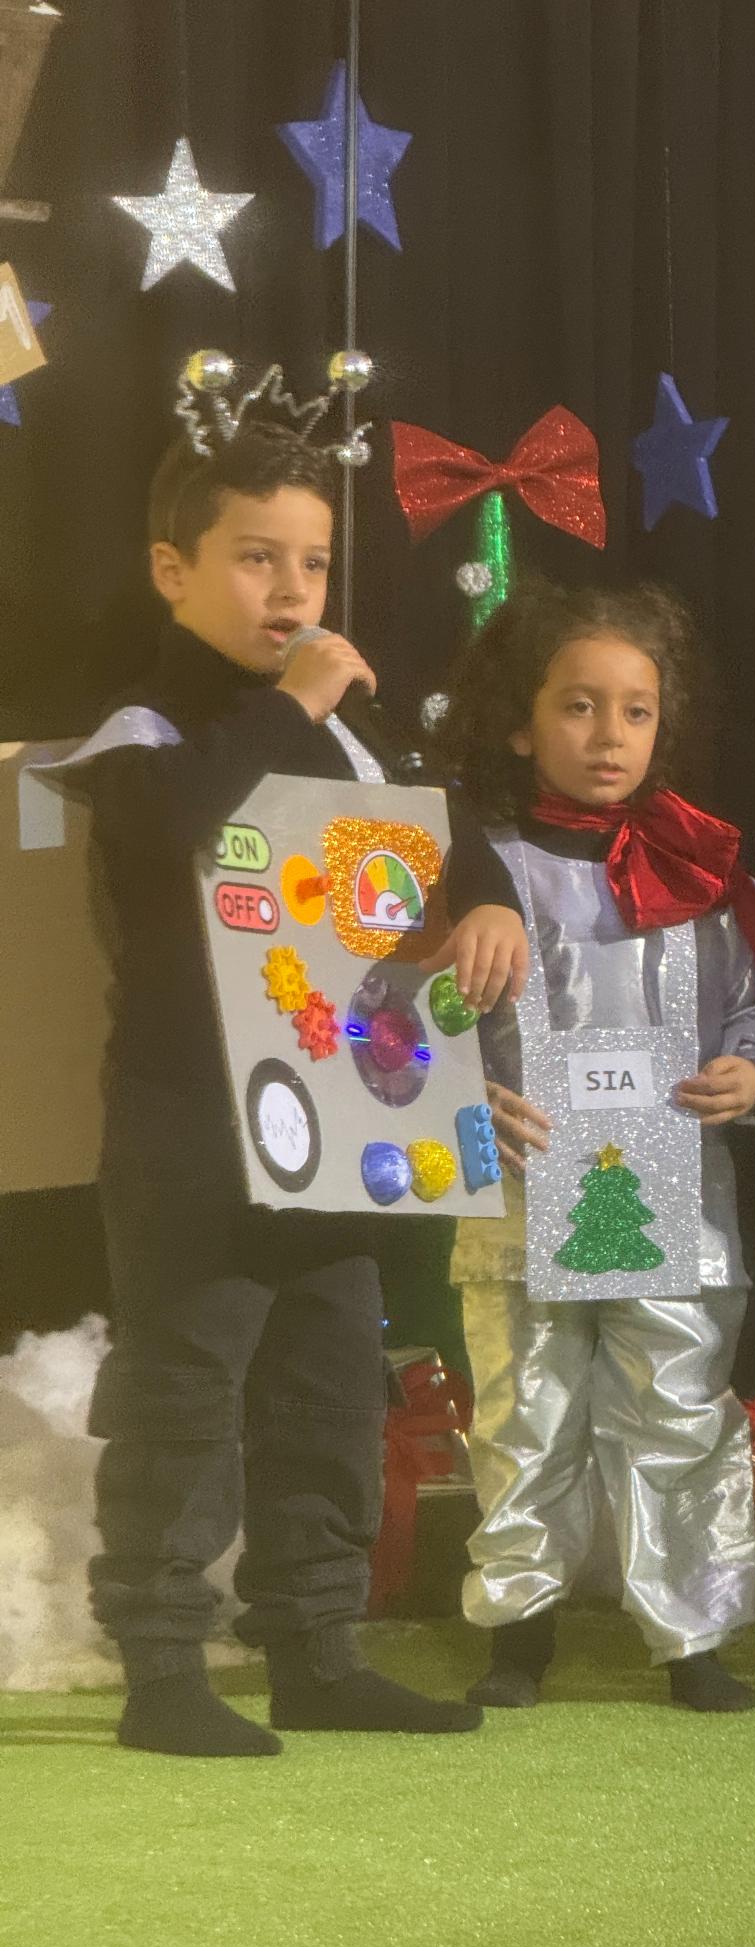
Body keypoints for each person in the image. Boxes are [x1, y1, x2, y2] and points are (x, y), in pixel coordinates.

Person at [70, 407, 526, 1756]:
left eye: (314, 563)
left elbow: (442, 842)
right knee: (183, 1394)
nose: (292, 590)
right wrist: (291, 704)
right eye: (256, 558)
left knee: (329, 1390)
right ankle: (163, 1666)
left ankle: (317, 1649)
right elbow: (181, 828)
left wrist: (490, 903)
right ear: (175, 571)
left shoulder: (353, 739)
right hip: (191, 1132)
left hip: (339, 1125)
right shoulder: (145, 728)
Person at [440, 578, 755, 1712]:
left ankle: (693, 1636)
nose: (610, 735)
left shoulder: (701, 873)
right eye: (579, 706)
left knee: (679, 1410)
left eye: (636, 711)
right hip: (517, 1201)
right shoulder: (476, 871)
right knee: (525, 1413)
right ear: (520, 723)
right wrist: (460, 1104)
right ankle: (519, 1630)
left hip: (676, 1203)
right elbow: (401, 1030)